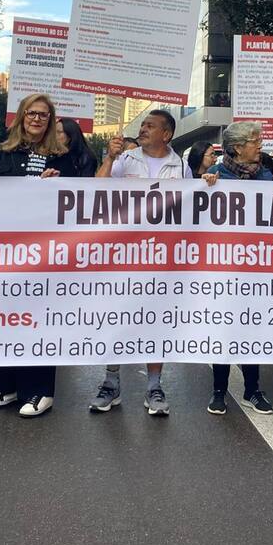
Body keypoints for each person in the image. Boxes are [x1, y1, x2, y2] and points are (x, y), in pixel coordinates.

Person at [0, 93, 78, 417]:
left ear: (50, 121)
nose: (37, 119)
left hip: (45, 250)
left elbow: (76, 199)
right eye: (31, 114)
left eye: (43, 115)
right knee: (7, 316)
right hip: (7, 248)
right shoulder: (1, 153)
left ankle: (40, 390)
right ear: (21, 117)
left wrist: (55, 185)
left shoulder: (62, 157)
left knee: (40, 317)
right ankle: (7, 385)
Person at [90, 109, 190, 416]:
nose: (143, 129)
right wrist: (109, 158)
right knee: (117, 318)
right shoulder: (125, 161)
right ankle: (111, 383)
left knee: (156, 321)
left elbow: (192, 208)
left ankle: (154, 386)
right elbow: (97, 189)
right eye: (142, 125)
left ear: (167, 134)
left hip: (162, 258)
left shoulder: (181, 166)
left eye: (150, 126)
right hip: (124, 255)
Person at [203, 121, 273, 416]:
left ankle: (252, 390)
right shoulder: (215, 176)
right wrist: (203, 185)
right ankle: (219, 391)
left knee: (252, 329)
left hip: (256, 268)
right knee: (223, 328)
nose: (260, 146)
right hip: (223, 267)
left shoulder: (267, 177)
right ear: (237, 148)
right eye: (255, 141)